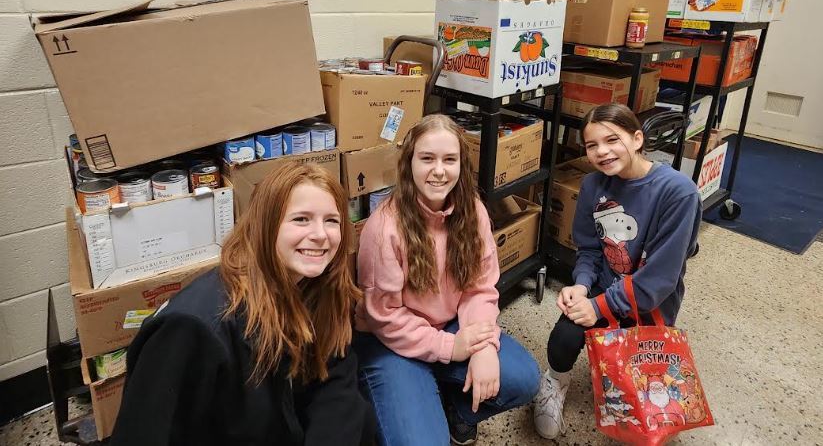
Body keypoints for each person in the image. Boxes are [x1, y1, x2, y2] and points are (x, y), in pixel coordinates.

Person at [110, 163, 374, 446]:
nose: (320, 234)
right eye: (301, 219)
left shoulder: (317, 289)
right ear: (265, 225)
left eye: (332, 220)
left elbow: (334, 382)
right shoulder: (193, 327)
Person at [353, 114, 540, 446]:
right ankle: (413, 393)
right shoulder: (383, 228)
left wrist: (481, 346)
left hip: (449, 324)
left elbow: (480, 286)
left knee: (523, 379)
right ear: (409, 163)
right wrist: (448, 348)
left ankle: (457, 409)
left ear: (461, 165)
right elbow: (384, 317)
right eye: (427, 158)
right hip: (390, 341)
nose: (439, 170)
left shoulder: (474, 211)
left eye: (449, 159)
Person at [533, 103, 701, 439]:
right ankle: (555, 381)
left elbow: (659, 278)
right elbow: (590, 249)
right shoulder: (593, 185)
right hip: (603, 287)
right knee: (564, 336)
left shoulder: (678, 192)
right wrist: (581, 287)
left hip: (650, 301)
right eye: (592, 145)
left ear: (637, 138)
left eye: (612, 140)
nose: (602, 152)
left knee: (644, 393)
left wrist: (598, 307)